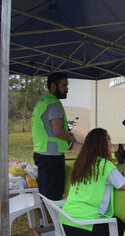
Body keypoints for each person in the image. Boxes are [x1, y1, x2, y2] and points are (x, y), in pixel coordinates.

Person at [61, 128, 125, 236]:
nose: (111, 144)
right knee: (124, 226)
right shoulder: (105, 165)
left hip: (66, 222)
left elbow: (99, 177)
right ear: (104, 145)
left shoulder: (82, 162)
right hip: (86, 225)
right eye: (109, 141)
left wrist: (124, 175)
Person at [32, 72, 76, 201]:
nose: (67, 88)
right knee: (53, 195)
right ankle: (51, 221)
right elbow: (58, 131)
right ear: (53, 85)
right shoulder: (54, 104)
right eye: (64, 85)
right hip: (52, 156)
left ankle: (43, 220)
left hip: (41, 152)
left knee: (45, 192)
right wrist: (71, 138)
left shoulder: (42, 102)